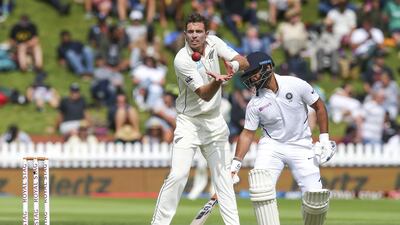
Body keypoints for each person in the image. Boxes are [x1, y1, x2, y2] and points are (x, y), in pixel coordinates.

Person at [150, 13, 249, 225]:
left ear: (207, 33)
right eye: (191, 32)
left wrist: (234, 67)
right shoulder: (181, 59)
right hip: (189, 123)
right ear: (185, 34)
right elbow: (204, 93)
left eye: (199, 31)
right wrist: (219, 81)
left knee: (223, 180)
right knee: (177, 176)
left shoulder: (215, 42)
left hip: (214, 122)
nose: (195, 36)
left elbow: (243, 61)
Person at [230, 52, 335, 225]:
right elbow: (247, 133)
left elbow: (319, 106)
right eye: (248, 75)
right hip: (272, 146)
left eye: (254, 73)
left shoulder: (294, 84)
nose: (252, 79)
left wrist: (324, 139)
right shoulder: (255, 103)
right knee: (260, 188)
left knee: (316, 199)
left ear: (268, 67)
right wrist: (235, 164)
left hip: (302, 145)